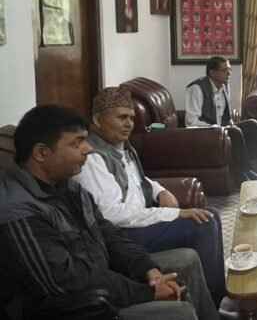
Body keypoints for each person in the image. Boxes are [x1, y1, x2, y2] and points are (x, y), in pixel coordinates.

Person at [0, 105, 218, 320]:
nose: (89, 149)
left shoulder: (69, 187)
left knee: (186, 259)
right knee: (178, 313)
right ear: (41, 153)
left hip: (104, 277)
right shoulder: (17, 209)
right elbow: (66, 280)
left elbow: (109, 234)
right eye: (77, 143)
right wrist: (148, 292)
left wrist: (147, 268)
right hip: (78, 306)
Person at [72, 87, 226, 307]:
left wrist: (159, 190)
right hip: (123, 235)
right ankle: (213, 303)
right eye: (121, 117)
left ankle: (219, 296)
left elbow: (137, 179)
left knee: (212, 214)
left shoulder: (121, 147)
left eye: (131, 118)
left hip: (139, 221)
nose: (128, 124)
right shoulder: (91, 159)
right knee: (203, 225)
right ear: (97, 119)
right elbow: (111, 215)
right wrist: (175, 213)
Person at [185, 56, 257, 182]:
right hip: (205, 132)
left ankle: (248, 168)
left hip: (220, 128)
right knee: (235, 132)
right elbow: (191, 121)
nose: (229, 73)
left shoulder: (224, 85)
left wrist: (229, 122)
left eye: (229, 69)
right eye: (224, 70)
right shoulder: (196, 88)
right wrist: (219, 128)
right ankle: (240, 176)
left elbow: (223, 113)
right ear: (212, 73)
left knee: (252, 124)